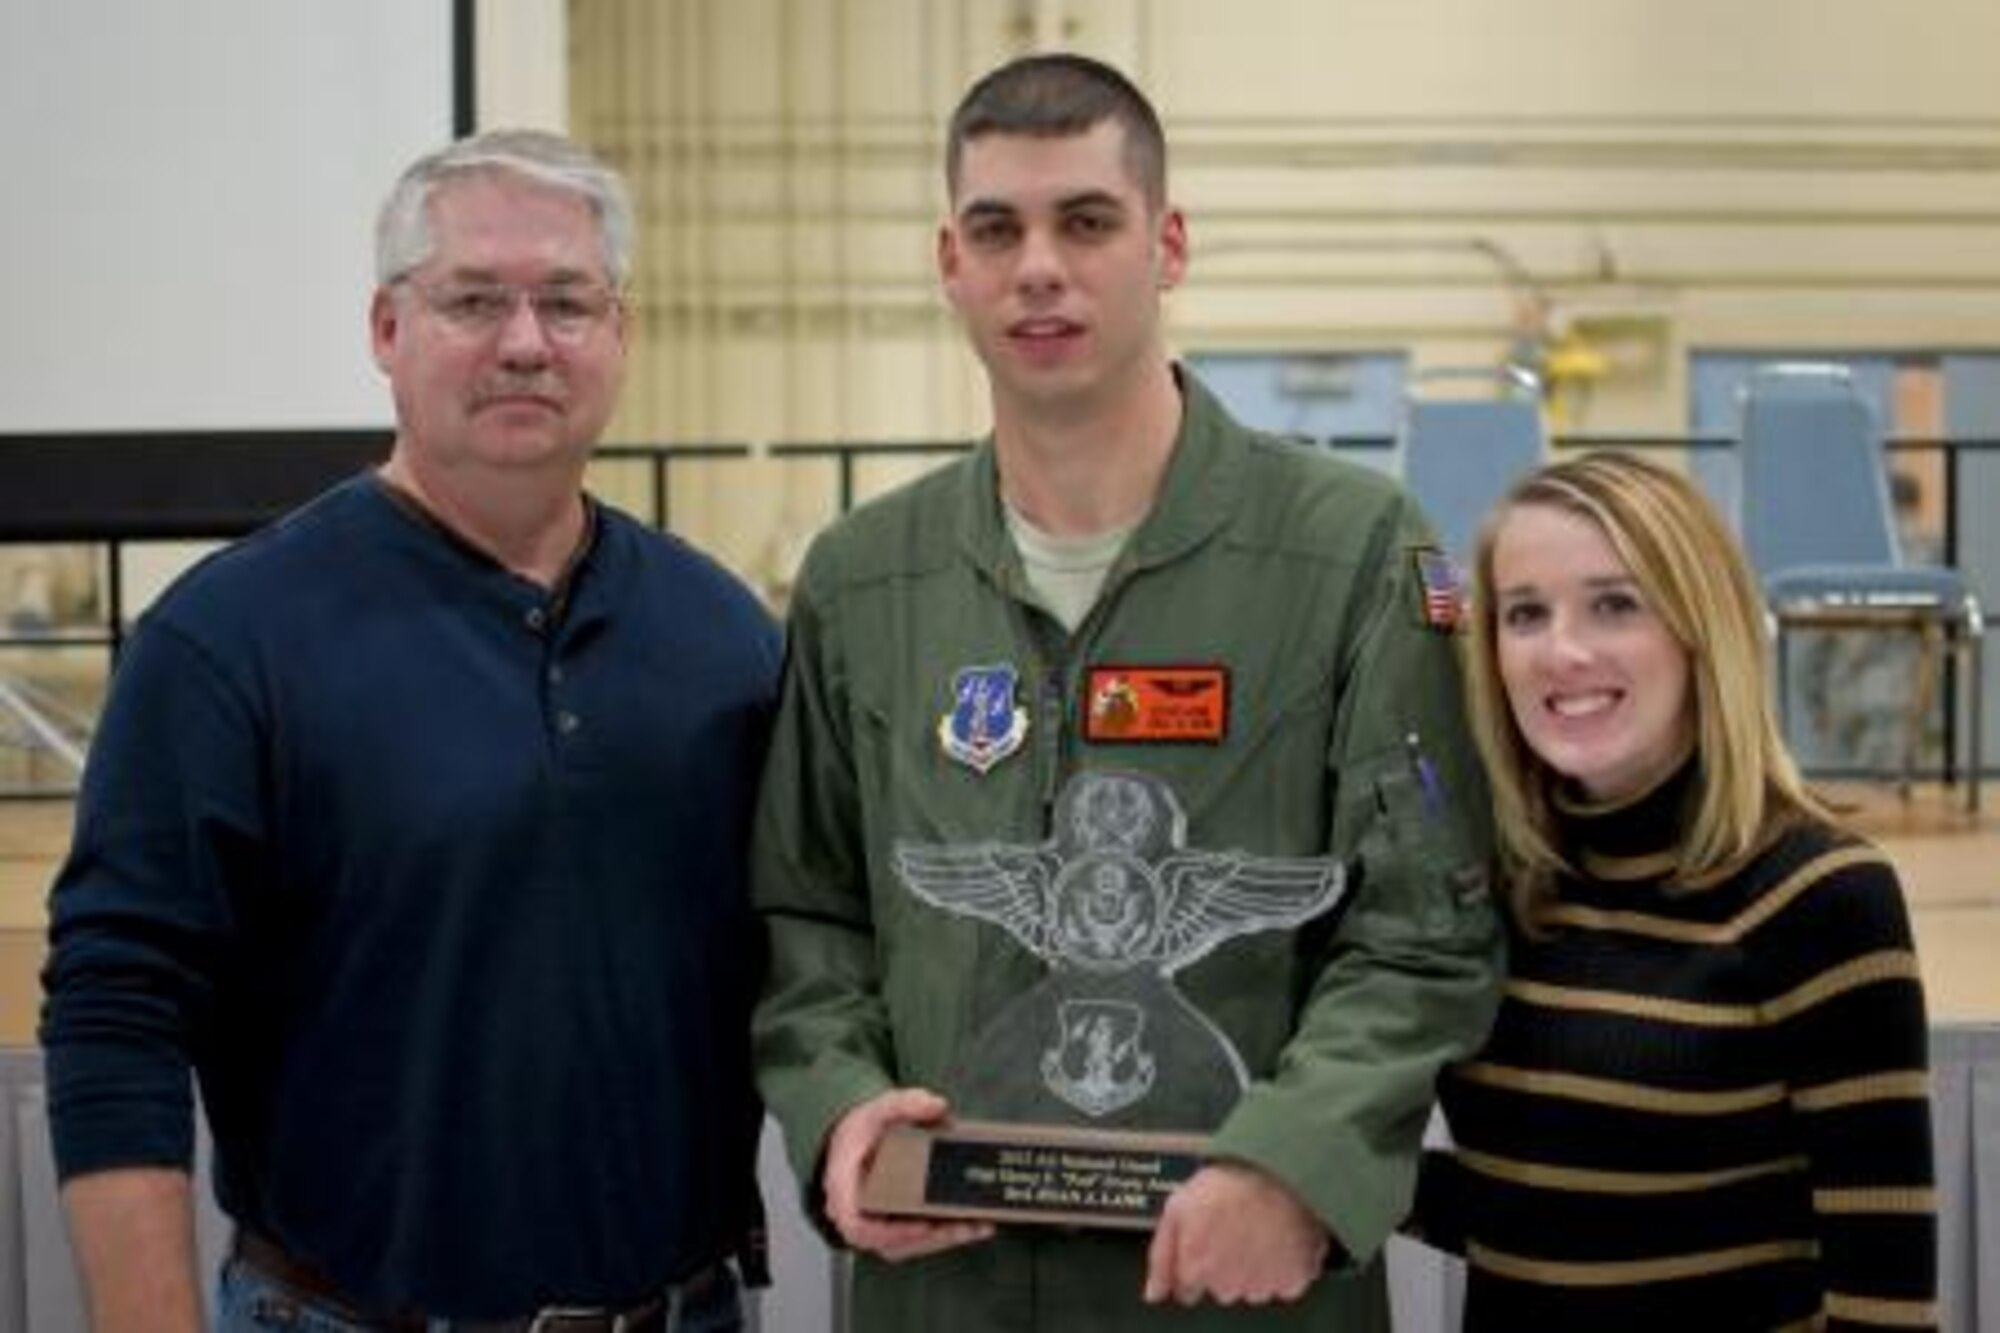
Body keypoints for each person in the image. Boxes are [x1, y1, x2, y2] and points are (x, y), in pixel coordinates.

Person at [750, 52, 1503, 1331]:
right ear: (950, 263)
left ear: (1166, 244)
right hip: (944, 1285)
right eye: (997, 228)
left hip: (1237, 1289)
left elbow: (1422, 929)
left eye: (1085, 221)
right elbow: (805, 910)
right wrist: (838, 1109)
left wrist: (1296, 1159)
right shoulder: (864, 580)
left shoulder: (1354, 554)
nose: (1039, 265)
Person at [39, 129, 780, 1332]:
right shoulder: (227, 642)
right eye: (474, 300)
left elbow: (800, 963)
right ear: (387, 331)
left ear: (620, 336)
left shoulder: (723, 638)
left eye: (567, 302)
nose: (526, 342)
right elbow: (114, 1011)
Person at [1412, 452, 1937, 1329]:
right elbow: (1550, 1214)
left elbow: (1883, 1286)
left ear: (1702, 626)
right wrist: (1283, 1171)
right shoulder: (1496, 879)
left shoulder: (1822, 893)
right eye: (1526, 613)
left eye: (1615, 604)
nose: (1563, 651)